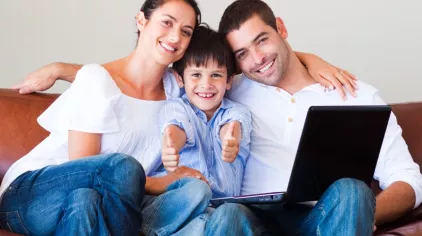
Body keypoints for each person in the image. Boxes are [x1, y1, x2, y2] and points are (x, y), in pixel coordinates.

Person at [203, 0, 422, 235]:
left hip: (325, 220)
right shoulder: (226, 90)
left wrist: (360, 211)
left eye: (262, 40)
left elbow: (409, 181)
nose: (257, 59)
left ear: (281, 28)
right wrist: (307, 58)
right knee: (227, 213)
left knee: (353, 191)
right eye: (242, 53)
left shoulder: (358, 96)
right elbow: (183, 73)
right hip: (253, 221)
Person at [0, 0, 213, 235]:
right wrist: (158, 182)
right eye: (167, 23)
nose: (175, 37)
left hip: (89, 201)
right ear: (141, 20)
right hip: (30, 193)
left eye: (185, 32)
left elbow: (220, 77)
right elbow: (85, 167)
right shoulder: (97, 80)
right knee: (122, 167)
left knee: (85, 203)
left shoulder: (176, 93)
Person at [152, 24, 252, 198]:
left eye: (216, 75)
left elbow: (230, 126)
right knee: (196, 191)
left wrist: (230, 140)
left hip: (222, 207)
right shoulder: (176, 107)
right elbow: (177, 128)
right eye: (196, 75)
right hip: (183, 200)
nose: (206, 84)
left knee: (232, 213)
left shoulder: (236, 110)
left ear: (229, 80)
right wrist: (172, 146)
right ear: (180, 78)